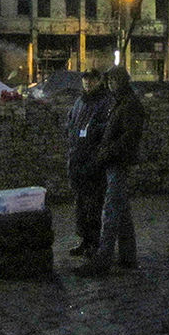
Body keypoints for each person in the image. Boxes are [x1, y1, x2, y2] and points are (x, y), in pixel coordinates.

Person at [73, 66, 145, 277]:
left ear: (122, 81)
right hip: (113, 161)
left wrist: (107, 151)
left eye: (114, 80)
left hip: (118, 162)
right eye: (110, 81)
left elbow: (128, 138)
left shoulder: (129, 105)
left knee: (111, 211)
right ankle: (127, 256)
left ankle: (103, 258)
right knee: (121, 212)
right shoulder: (120, 103)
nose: (111, 84)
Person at [65, 69, 113, 258]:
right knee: (81, 204)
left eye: (91, 81)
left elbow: (105, 128)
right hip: (77, 158)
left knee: (94, 204)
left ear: (98, 81)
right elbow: (70, 123)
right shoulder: (79, 102)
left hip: (93, 160)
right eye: (85, 81)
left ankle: (95, 242)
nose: (87, 84)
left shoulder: (104, 102)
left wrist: (92, 131)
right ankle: (84, 239)